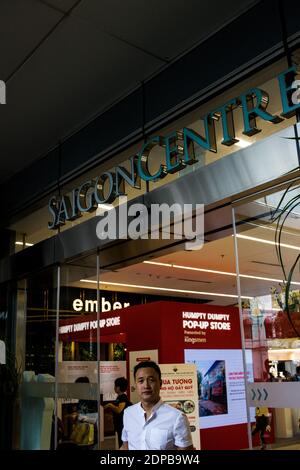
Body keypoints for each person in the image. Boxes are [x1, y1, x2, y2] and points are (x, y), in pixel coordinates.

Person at [120, 361, 193, 450]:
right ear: (136, 385)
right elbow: (125, 446)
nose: (146, 385)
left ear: (160, 383)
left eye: (151, 380)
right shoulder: (128, 413)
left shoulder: (177, 417)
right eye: (141, 381)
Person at [104, 377, 132, 447]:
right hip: (118, 425)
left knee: (122, 444)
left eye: (115, 386)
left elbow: (119, 410)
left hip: (122, 425)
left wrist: (110, 405)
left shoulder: (123, 397)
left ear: (118, 387)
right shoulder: (118, 397)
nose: (114, 388)